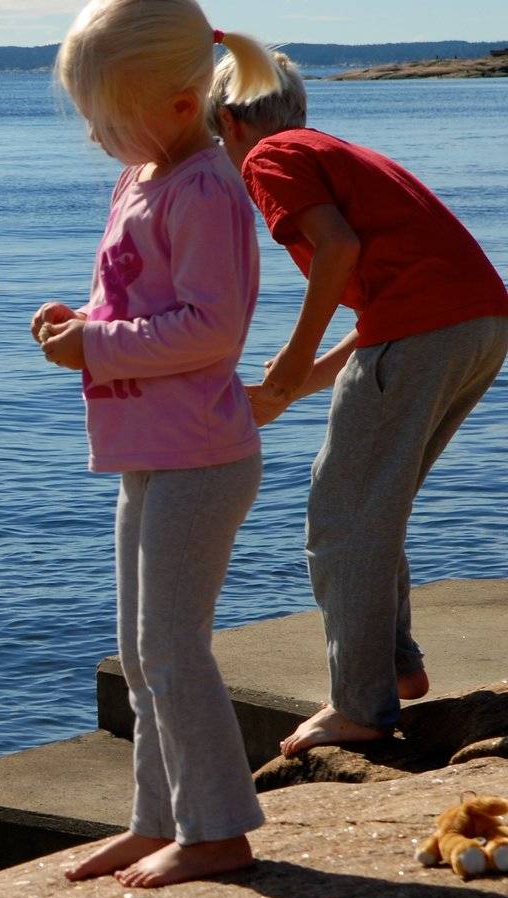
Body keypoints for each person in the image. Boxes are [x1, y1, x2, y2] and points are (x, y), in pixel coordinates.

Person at [34, 0, 280, 888]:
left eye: (105, 118)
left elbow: (213, 331)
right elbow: (139, 299)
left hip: (203, 454)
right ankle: (157, 818)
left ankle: (217, 829)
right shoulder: (143, 177)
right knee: (140, 653)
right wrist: (83, 320)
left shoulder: (207, 188)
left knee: (175, 647)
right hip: (151, 447)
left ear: (180, 105)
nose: (95, 136)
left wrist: (95, 348)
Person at [209, 52, 508, 758]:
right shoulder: (332, 149)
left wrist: (284, 358)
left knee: (340, 518)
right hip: (479, 325)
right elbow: (386, 304)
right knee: (374, 504)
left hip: (429, 330)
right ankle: (397, 663)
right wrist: (295, 386)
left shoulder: (269, 157)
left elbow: (337, 250)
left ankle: (359, 705)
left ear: (228, 119)